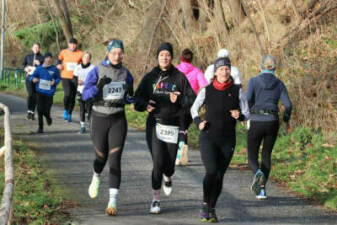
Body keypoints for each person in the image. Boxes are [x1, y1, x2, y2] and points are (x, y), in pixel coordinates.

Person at [134, 42, 196, 214]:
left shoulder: (179, 77)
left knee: (168, 165)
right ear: (157, 57)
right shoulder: (150, 77)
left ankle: (168, 176)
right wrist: (144, 105)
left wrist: (181, 99)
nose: (164, 58)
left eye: (167, 55)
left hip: (173, 125)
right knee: (157, 162)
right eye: (161, 55)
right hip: (155, 123)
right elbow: (137, 98)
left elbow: (192, 99)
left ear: (171, 57)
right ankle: (155, 199)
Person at [191, 57, 249, 222]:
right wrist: (198, 122)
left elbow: (247, 111)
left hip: (228, 140)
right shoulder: (207, 90)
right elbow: (194, 109)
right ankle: (204, 203)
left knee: (219, 175)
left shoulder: (237, 90)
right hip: (208, 138)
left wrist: (240, 115)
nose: (225, 71)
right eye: (221, 69)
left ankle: (212, 208)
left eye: (227, 69)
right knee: (211, 171)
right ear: (215, 72)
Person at [82, 39, 134, 216]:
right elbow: (85, 95)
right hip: (99, 118)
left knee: (115, 159)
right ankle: (96, 176)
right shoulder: (97, 70)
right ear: (108, 53)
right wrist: (98, 87)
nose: (117, 56)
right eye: (114, 53)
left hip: (118, 119)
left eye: (120, 53)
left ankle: (112, 202)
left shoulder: (126, 73)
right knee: (101, 157)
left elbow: (128, 96)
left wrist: (134, 99)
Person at [246, 54, 292, 199]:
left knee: (252, 155)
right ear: (275, 68)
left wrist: (244, 116)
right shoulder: (279, 83)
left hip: (256, 120)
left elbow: (247, 100)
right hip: (272, 121)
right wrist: (285, 118)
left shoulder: (253, 81)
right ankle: (262, 190)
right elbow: (288, 104)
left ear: (260, 67)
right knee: (266, 154)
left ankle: (257, 173)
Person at [175, 48, 208, 166]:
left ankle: (179, 154)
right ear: (191, 59)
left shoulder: (176, 70)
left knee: (180, 128)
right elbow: (205, 86)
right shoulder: (197, 71)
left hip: (177, 102)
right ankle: (183, 154)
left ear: (181, 58)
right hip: (192, 103)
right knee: (184, 128)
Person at [30, 53, 61, 133]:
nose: (48, 59)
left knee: (46, 110)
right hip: (40, 92)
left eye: (50, 58)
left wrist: (55, 82)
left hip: (49, 93)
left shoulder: (54, 69)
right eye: (47, 58)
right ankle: (40, 128)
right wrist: (33, 79)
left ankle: (48, 117)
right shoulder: (39, 68)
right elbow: (32, 77)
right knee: (39, 110)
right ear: (44, 59)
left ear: (51, 59)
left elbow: (58, 78)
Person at [57, 37, 83, 122]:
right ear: (68, 44)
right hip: (65, 76)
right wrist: (58, 65)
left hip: (75, 77)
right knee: (67, 94)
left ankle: (70, 113)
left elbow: (84, 64)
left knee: (73, 96)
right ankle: (65, 110)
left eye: (74, 44)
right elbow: (59, 60)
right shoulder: (63, 52)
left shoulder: (80, 53)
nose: (73, 45)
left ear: (76, 45)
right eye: (71, 44)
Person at [73, 51, 95, 134]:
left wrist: (85, 82)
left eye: (88, 57)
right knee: (82, 109)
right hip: (80, 90)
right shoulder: (77, 67)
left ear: (90, 59)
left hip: (89, 91)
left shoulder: (93, 68)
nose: (86, 59)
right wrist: (77, 82)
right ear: (82, 58)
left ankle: (91, 125)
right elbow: (73, 79)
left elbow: (95, 80)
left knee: (89, 109)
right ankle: (82, 126)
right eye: (84, 57)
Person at [22, 42, 44, 120]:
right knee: (30, 94)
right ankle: (29, 111)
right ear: (32, 48)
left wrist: (40, 64)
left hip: (37, 79)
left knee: (35, 96)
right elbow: (23, 64)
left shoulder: (42, 58)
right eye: (34, 47)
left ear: (39, 49)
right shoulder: (28, 56)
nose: (36, 49)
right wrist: (25, 68)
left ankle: (32, 112)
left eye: (37, 47)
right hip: (29, 78)